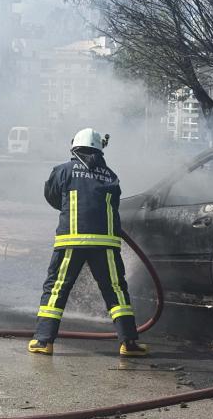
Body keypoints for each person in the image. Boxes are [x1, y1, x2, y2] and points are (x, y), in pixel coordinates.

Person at [27, 128, 148, 357]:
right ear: (100, 150)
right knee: (116, 290)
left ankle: (43, 341)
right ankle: (129, 343)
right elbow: (113, 204)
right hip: (106, 243)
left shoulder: (63, 170)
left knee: (57, 288)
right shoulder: (111, 175)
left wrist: (68, 206)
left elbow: (52, 195)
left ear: (75, 147)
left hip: (71, 241)